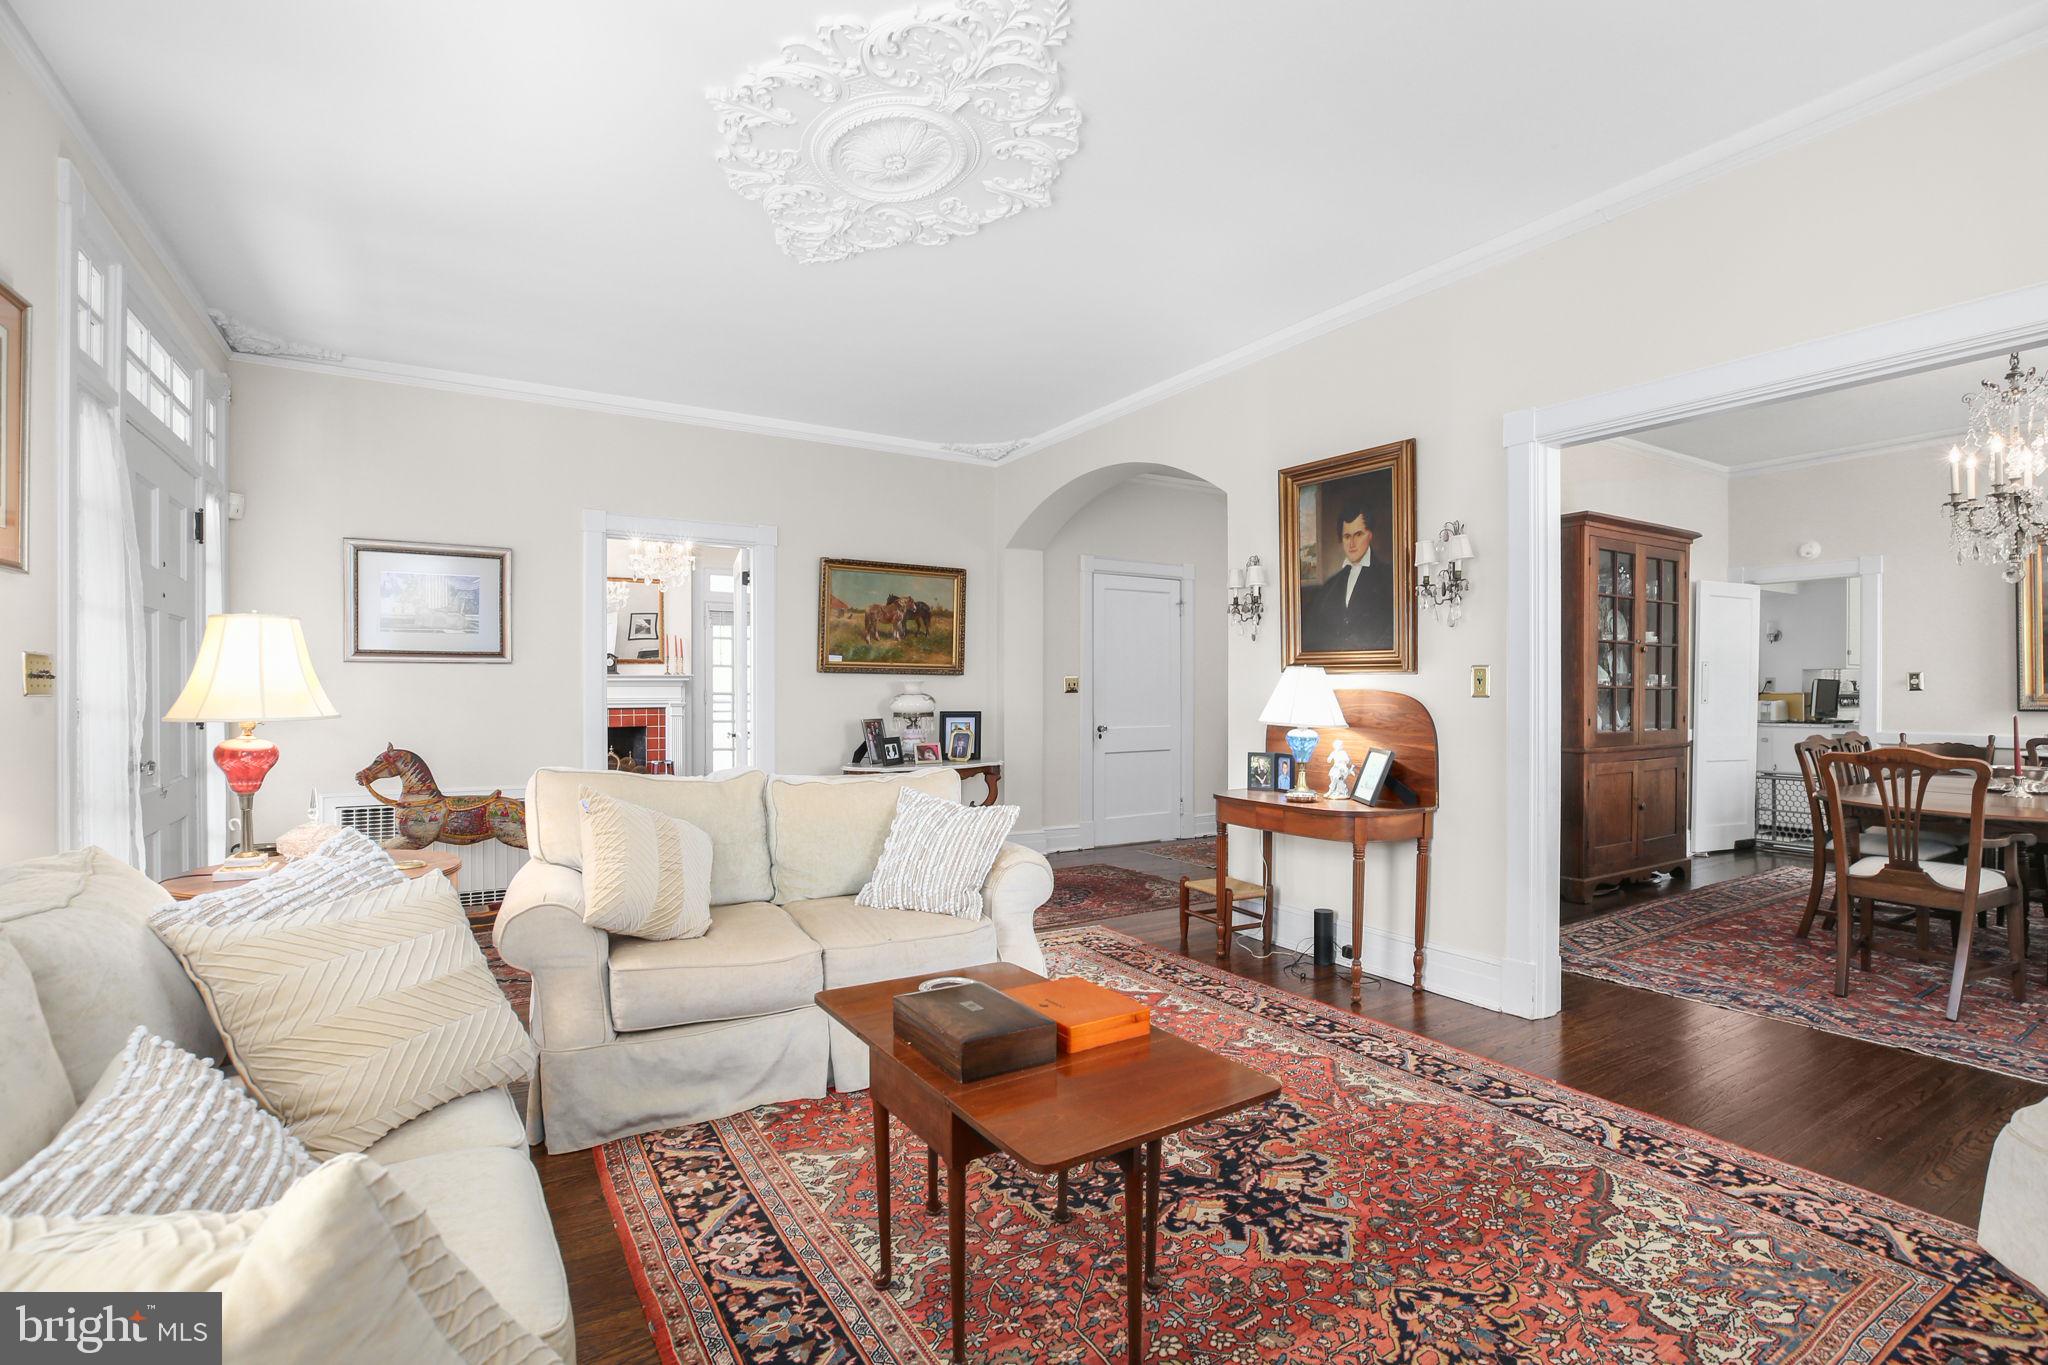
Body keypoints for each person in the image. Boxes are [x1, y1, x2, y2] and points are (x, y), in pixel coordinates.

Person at [1302, 501, 1393, 651]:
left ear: (1369, 535)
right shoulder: (1330, 586)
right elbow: (1312, 636)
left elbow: (1394, 632)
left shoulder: (1389, 576)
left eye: (1358, 534)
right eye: (1346, 536)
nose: (1351, 543)